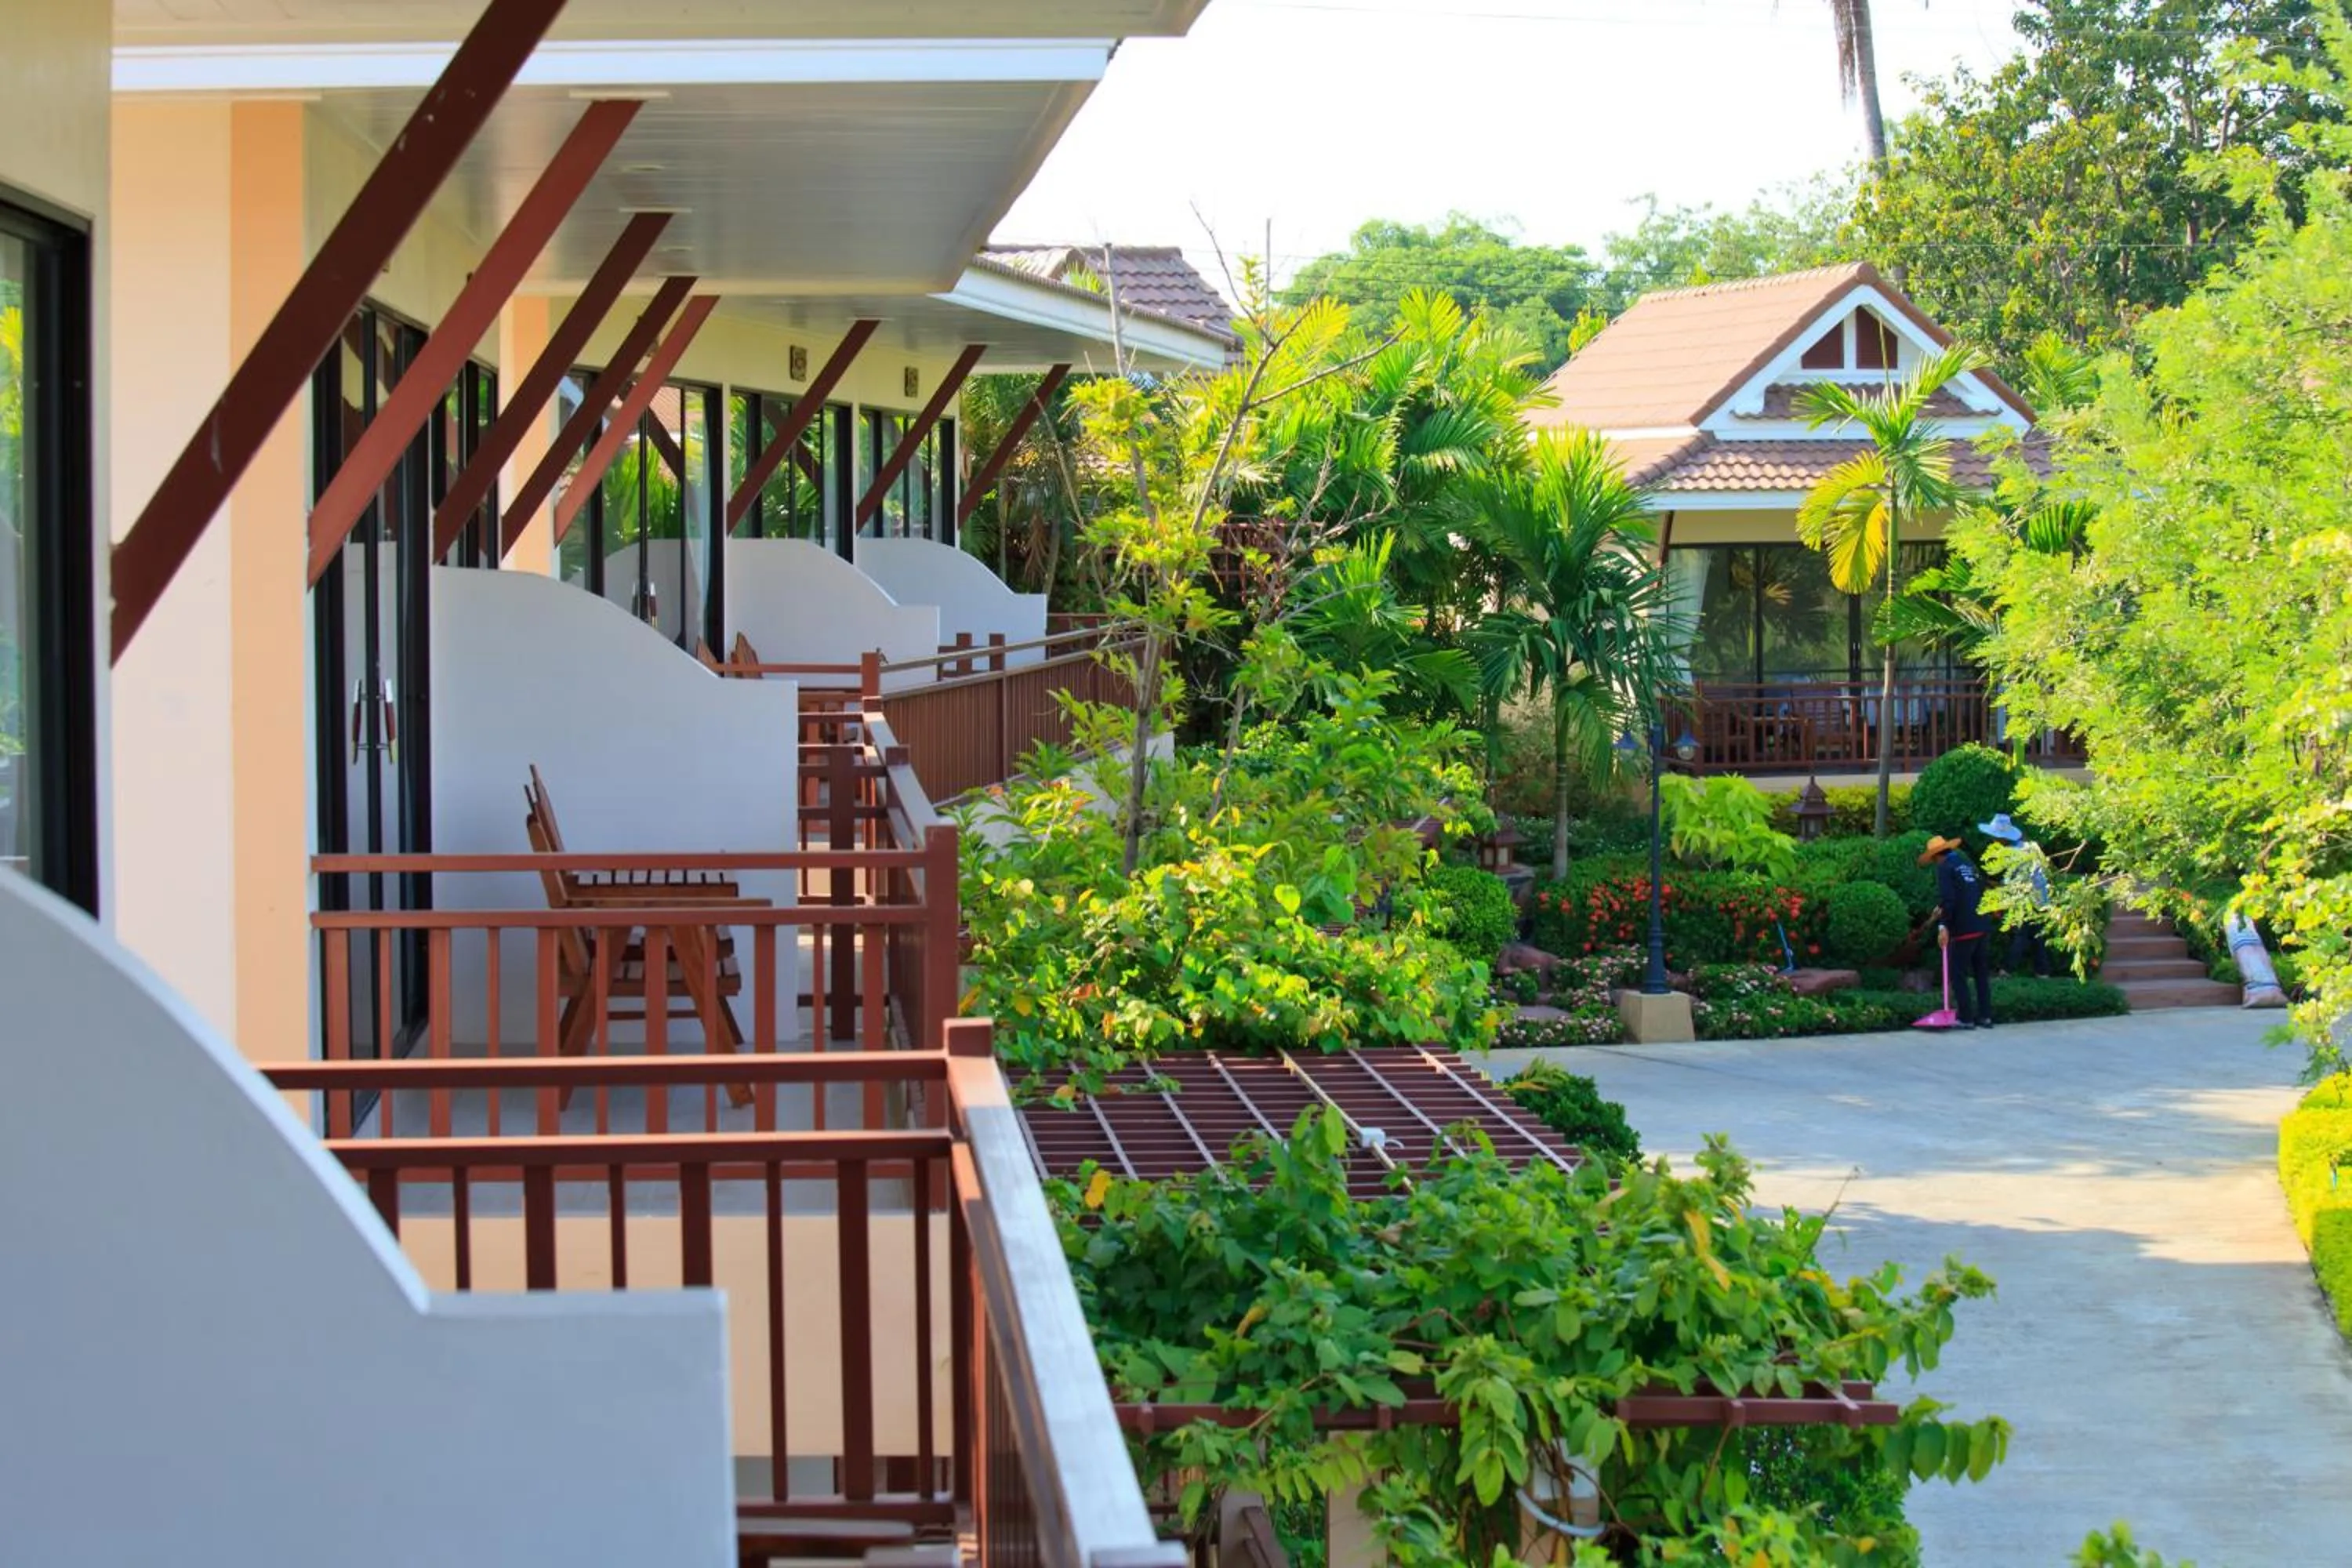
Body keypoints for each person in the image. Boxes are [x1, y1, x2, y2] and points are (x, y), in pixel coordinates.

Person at [1919, 834, 1994, 1029]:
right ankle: (1985, 1016)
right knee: (1981, 973)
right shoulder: (1966, 864)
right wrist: (1942, 907)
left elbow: (1951, 898)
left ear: (1937, 857)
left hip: (1964, 928)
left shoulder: (1945, 868)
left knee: (1957, 973)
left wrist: (1943, 925)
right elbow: (1970, 892)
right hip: (1982, 924)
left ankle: (1966, 1018)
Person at [1980, 812, 2053, 978]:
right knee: (2036, 936)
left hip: (2028, 898)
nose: (1993, 840)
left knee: (2021, 935)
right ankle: (2043, 972)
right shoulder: (2027, 847)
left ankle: (2007, 970)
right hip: (2041, 897)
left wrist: (1991, 886)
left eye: (1995, 837)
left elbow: (2012, 884)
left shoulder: (2012, 853)